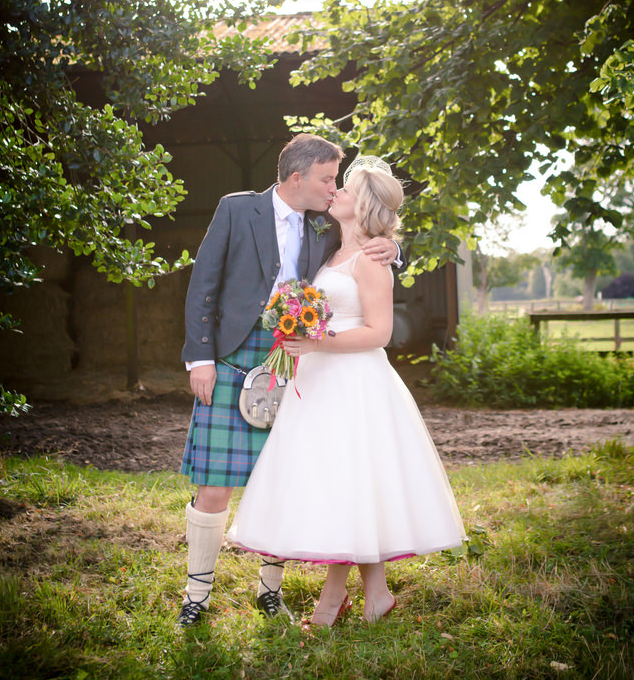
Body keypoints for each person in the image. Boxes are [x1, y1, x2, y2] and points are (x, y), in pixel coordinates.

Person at [227, 156, 467, 625]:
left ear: (363, 206)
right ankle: (375, 595)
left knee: (347, 484)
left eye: (345, 188)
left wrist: (316, 340)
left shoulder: (373, 260)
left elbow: (379, 333)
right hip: (319, 382)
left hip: (355, 384)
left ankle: (331, 602)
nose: (333, 191)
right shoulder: (330, 251)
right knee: (349, 487)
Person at [177, 135, 402, 628]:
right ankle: (197, 596)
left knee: (282, 474)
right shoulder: (236, 210)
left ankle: (269, 592)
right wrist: (200, 358)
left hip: (295, 359)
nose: (333, 188)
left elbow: (361, 255)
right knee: (214, 484)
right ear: (297, 177)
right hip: (233, 355)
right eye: (327, 178)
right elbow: (203, 284)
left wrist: (394, 250)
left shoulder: (325, 223)